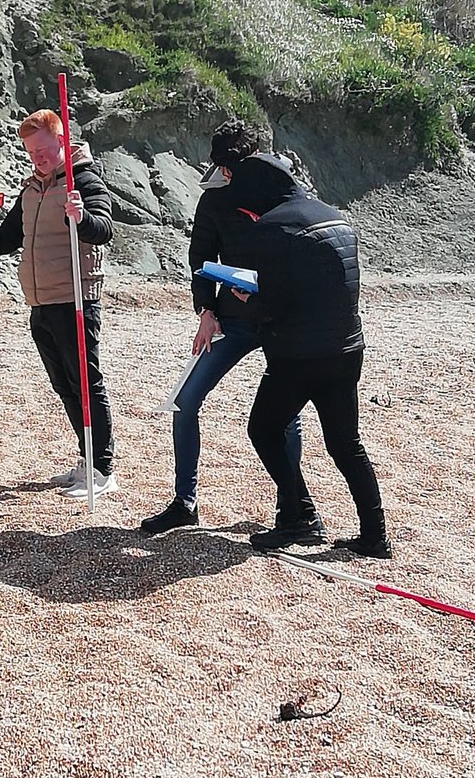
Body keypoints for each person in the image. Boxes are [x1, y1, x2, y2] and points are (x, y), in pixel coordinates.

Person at [141, 121, 312, 536]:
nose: (227, 176)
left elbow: (304, 254)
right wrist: (205, 311)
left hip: (277, 321)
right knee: (184, 400)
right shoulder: (213, 199)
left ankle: (291, 509)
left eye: (233, 167)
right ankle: (185, 502)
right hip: (231, 321)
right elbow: (199, 256)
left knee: (285, 417)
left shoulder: (284, 193)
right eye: (222, 168)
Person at [0, 108, 116, 497]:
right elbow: (2, 240)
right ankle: (87, 458)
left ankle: (103, 469)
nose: (39, 159)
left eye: (45, 151)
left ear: (62, 141)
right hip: (41, 302)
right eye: (32, 153)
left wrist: (81, 218)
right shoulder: (32, 190)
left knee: (86, 383)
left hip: (75, 299)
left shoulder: (84, 181)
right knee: (65, 386)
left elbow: (103, 230)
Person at [222, 155, 391, 557]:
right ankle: (375, 535)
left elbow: (275, 303)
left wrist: (249, 297)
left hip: (298, 356)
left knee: (263, 429)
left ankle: (300, 516)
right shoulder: (336, 216)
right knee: (346, 442)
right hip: (347, 347)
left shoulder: (272, 226)